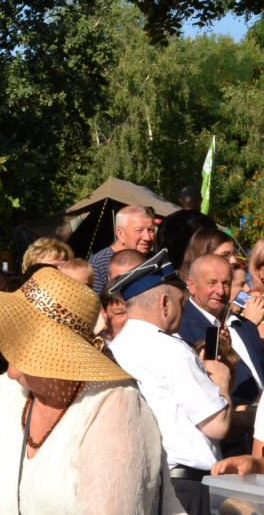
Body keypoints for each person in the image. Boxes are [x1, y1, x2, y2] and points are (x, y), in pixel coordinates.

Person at [0, 266, 181, 514]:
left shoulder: (113, 403)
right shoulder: (4, 394)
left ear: (60, 351)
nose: (7, 337)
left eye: (22, 331)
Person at [108, 251, 233, 515]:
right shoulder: (170, 349)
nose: (184, 309)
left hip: (144, 484)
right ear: (164, 302)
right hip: (184, 490)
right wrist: (221, 381)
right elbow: (217, 425)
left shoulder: (113, 349)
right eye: (181, 301)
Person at [179, 253, 264, 404]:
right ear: (192, 285)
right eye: (212, 283)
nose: (220, 291)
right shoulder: (181, 329)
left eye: (226, 283)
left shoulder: (246, 326)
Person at [87, 205, 156, 294]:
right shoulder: (98, 265)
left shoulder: (156, 259)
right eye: (139, 230)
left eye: (151, 230)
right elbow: (95, 306)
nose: (147, 237)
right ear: (120, 234)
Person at [156, 185, 217, 268]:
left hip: (170, 273)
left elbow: (158, 252)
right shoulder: (208, 223)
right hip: (199, 272)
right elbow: (215, 250)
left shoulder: (167, 222)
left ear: (180, 201)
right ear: (201, 201)